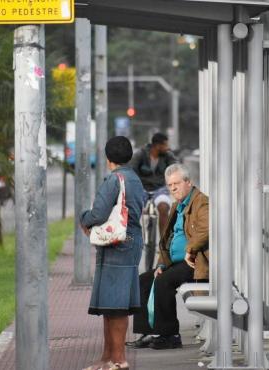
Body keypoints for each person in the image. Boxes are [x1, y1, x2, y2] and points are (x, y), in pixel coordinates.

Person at [80, 136, 146, 370]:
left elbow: (98, 213)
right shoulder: (135, 179)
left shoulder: (113, 180)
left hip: (117, 244)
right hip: (131, 241)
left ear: (108, 159)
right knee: (113, 302)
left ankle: (119, 359)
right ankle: (107, 357)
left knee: (116, 304)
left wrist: (84, 219)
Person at [126, 163, 209, 350]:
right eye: (170, 185)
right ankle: (149, 332)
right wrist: (162, 264)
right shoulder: (176, 206)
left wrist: (191, 249)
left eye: (177, 184)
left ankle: (170, 335)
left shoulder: (201, 202)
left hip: (195, 262)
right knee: (143, 280)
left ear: (188, 182)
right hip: (176, 262)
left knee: (163, 282)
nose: (173, 188)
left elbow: (205, 229)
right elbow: (167, 242)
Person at [129, 132, 178, 269]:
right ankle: (131, 238)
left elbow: (176, 168)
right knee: (133, 209)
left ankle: (164, 244)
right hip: (142, 188)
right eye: (165, 144)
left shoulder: (167, 156)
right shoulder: (140, 154)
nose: (168, 147)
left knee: (163, 207)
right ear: (157, 145)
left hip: (160, 189)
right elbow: (131, 170)